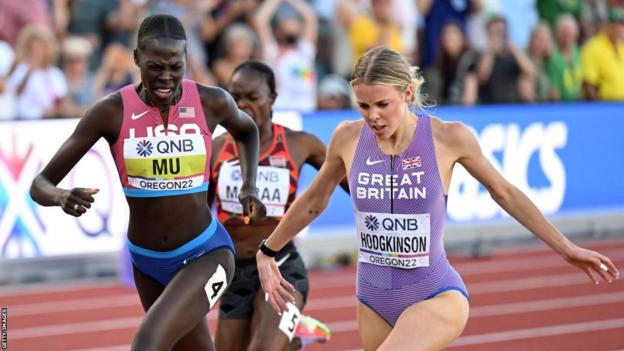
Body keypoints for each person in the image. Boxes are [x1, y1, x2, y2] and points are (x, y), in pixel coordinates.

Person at [256, 46, 620, 351]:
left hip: (433, 292)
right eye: (364, 106)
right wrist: (268, 250)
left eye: (383, 104)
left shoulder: (449, 138)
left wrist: (565, 247)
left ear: (408, 94)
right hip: (371, 297)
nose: (373, 117)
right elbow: (314, 200)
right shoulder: (347, 138)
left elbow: (504, 191)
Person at [30, 14, 266, 351]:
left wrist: (249, 186)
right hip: (146, 261)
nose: (167, 77)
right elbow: (40, 183)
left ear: (187, 59)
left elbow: (247, 131)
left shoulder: (210, 101)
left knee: (148, 343)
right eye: (155, 67)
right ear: (137, 59)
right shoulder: (111, 112)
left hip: (206, 252)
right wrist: (61, 196)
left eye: (176, 66)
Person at [209, 61, 344, 351]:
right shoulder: (216, 149)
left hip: (281, 265)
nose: (242, 105)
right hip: (236, 271)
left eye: (253, 98)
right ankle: (294, 339)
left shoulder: (300, 144)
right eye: (235, 97)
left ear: (272, 99)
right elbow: (198, 215)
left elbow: (356, 185)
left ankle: (284, 332)